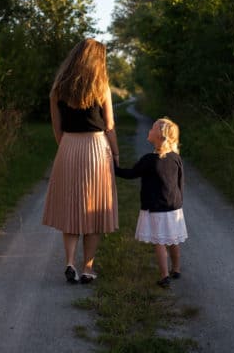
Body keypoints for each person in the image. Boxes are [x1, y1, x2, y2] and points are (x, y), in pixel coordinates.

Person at [42, 38, 119, 285]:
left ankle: (69, 263)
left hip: (68, 147)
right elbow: (109, 126)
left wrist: (66, 148)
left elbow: (57, 129)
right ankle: (87, 268)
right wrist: (115, 154)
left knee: (71, 209)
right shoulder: (101, 86)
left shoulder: (58, 89)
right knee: (94, 210)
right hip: (96, 147)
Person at [114, 117, 187, 288]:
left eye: (152, 128)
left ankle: (164, 276)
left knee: (159, 242)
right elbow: (180, 183)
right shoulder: (176, 158)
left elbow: (131, 173)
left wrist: (113, 167)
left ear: (160, 136)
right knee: (173, 239)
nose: (149, 130)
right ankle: (176, 269)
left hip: (155, 207)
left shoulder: (149, 160)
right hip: (174, 207)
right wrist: (179, 202)